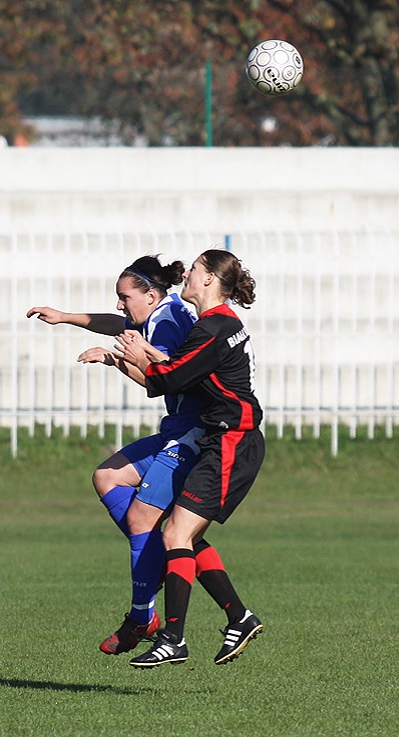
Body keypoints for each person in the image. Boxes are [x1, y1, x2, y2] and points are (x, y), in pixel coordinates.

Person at [27, 256, 247, 658]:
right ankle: (162, 568)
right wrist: (64, 317)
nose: (119, 305)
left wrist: (115, 359)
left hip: (194, 435)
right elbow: (121, 327)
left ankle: (142, 615)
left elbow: (156, 379)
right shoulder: (164, 310)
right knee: (108, 478)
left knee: (146, 520)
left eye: (124, 297)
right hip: (178, 429)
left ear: (149, 295)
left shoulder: (167, 322)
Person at [114, 248, 265, 668]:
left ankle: (173, 637)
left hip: (231, 442)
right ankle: (239, 616)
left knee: (174, 536)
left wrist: (128, 355)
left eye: (196, 269)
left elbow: (167, 380)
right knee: (185, 536)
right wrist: (152, 352)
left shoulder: (212, 329)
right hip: (227, 440)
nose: (188, 272)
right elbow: (187, 367)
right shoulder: (218, 325)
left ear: (210, 280)